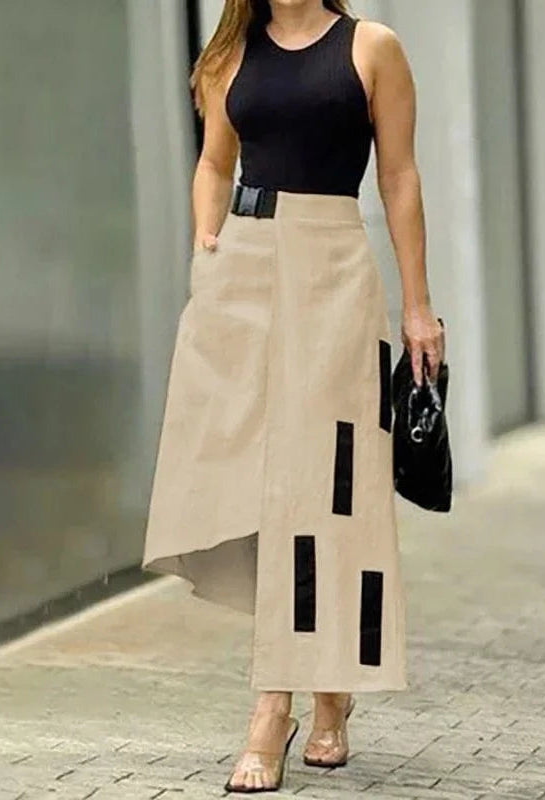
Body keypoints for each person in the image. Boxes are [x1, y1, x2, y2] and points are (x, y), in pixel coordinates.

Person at [142, 0, 444, 793]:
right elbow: (214, 164)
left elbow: (400, 175)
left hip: (332, 268)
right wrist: (207, 247)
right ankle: (314, 694)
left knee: (328, 486)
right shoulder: (230, 53)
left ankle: (284, 704)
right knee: (254, 479)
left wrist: (418, 307)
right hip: (242, 273)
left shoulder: (371, 47)